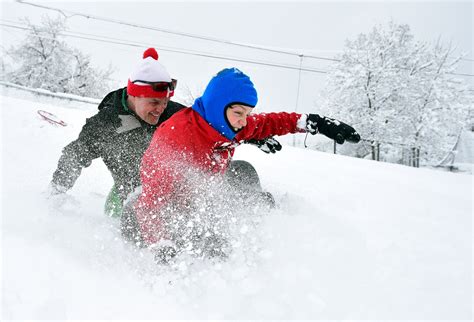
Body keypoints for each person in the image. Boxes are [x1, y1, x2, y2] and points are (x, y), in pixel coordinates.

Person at [127, 67, 361, 263]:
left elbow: (270, 122)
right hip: (163, 210)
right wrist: (161, 245)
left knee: (243, 171)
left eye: (248, 113)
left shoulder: (230, 124)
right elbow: (152, 203)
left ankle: (262, 216)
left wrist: (313, 122)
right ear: (219, 106)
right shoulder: (177, 137)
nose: (244, 120)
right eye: (239, 112)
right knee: (202, 243)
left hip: (202, 198)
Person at [49, 48, 281, 218]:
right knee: (140, 207)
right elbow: (75, 154)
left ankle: (259, 217)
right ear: (134, 95)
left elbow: (212, 125)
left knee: (242, 170)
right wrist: (56, 191)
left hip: (181, 189)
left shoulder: (173, 114)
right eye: (153, 102)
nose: (160, 109)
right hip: (135, 197)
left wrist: (253, 135)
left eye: (164, 101)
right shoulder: (104, 125)